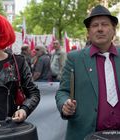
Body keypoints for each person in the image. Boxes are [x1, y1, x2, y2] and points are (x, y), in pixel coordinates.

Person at [55, 5, 120, 140]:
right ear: (88, 33)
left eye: (105, 24)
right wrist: (65, 104)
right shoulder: (74, 58)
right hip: (84, 135)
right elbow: (62, 92)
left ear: (113, 30)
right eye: (95, 25)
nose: (100, 29)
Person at [0, 13, 40, 122]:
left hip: (10, 128)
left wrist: (24, 110)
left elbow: (33, 93)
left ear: (3, 34)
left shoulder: (18, 62)